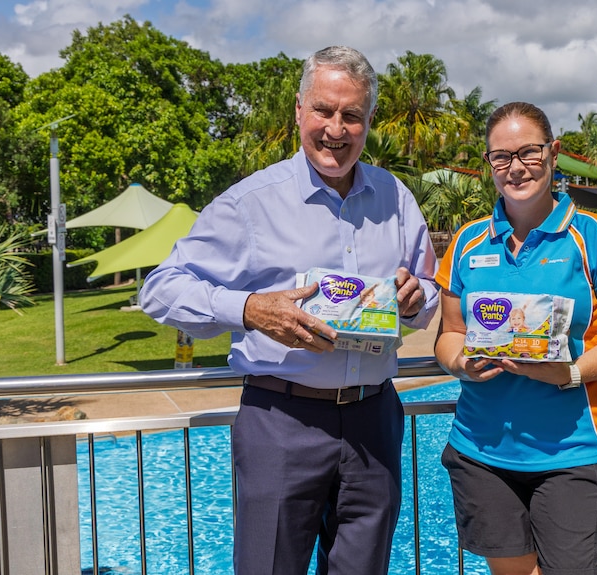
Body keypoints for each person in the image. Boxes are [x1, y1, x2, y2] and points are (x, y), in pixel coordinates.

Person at [140, 46, 438, 575]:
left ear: (368, 121)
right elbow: (160, 289)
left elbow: (427, 291)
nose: (335, 130)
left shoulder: (397, 199)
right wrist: (251, 309)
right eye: (324, 111)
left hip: (374, 417)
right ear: (299, 111)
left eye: (351, 116)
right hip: (281, 419)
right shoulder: (251, 203)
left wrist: (417, 300)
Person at [434, 102, 597, 575]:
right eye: (501, 157)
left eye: (529, 152)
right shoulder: (468, 243)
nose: (516, 168)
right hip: (482, 453)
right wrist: (461, 364)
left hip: (576, 454)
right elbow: (450, 335)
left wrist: (570, 372)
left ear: (553, 153)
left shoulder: (593, 235)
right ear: (488, 164)